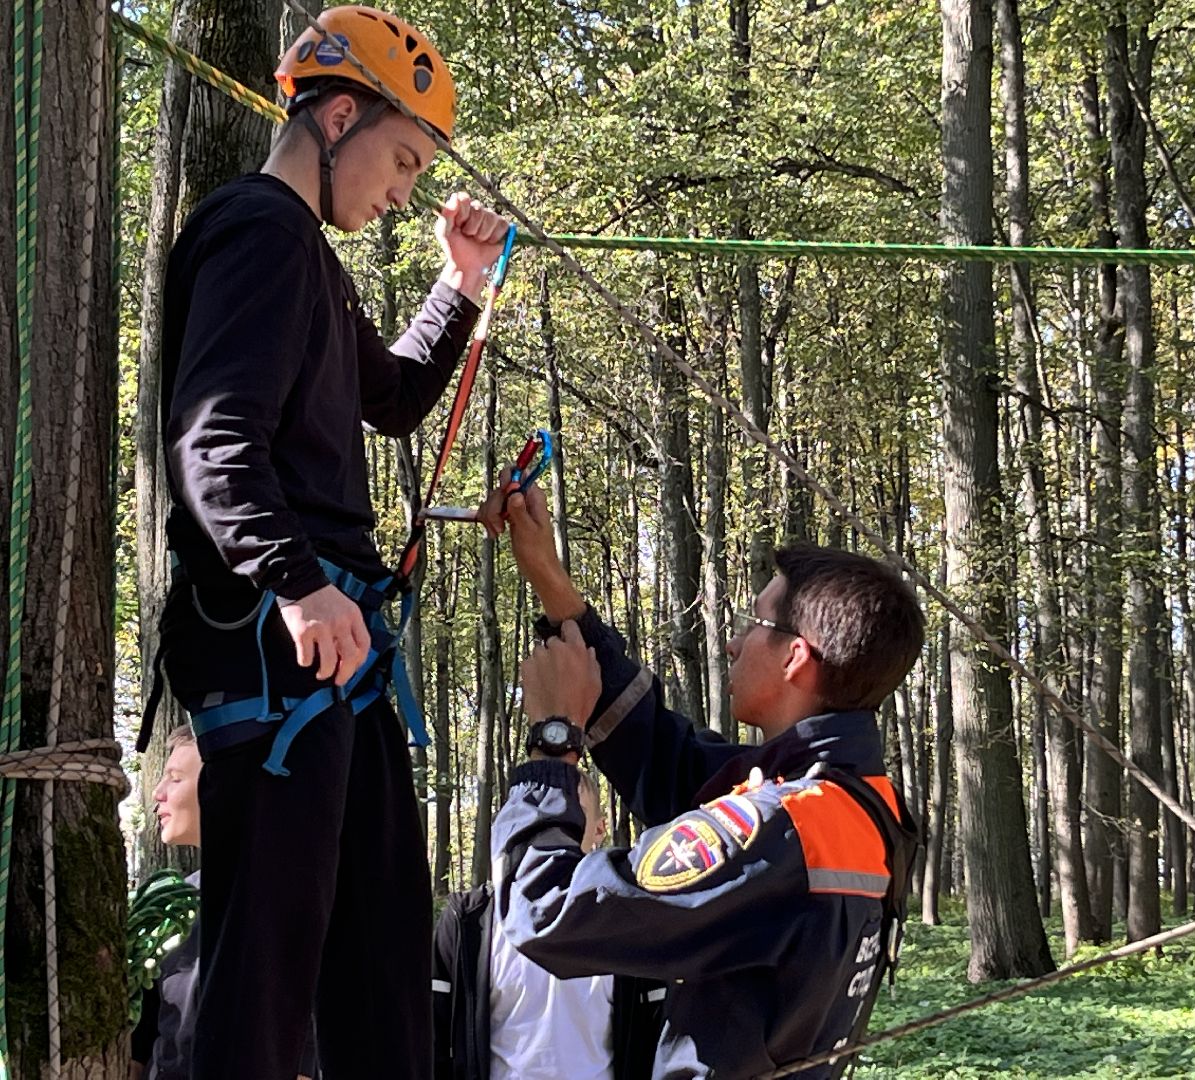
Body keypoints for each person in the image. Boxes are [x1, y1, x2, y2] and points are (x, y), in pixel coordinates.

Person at [149, 7, 509, 1077]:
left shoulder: (303, 251)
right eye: (402, 161)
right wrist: (299, 584)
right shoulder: (257, 229)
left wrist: (459, 284)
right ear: (339, 116)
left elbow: (390, 396)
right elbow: (214, 438)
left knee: (382, 951)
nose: (402, 193)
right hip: (279, 638)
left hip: (327, 648)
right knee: (265, 966)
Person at [480, 484, 923, 1078]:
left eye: (753, 622)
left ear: (795, 656)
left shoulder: (781, 827)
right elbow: (663, 755)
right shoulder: (858, 804)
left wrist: (553, 744)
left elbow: (546, 910)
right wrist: (550, 580)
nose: (734, 642)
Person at [432, 768, 662, 1080]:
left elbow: (657, 1039)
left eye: (569, 807)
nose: (551, 818)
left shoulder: (627, 924)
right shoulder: (468, 922)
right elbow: (432, 1038)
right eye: (537, 808)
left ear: (599, 828)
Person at [129, 727, 318, 1080]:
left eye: (175, 778)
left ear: (227, 785)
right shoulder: (175, 905)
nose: (158, 793)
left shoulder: (295, 901)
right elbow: (142, 1045)